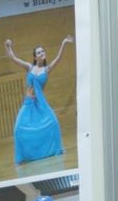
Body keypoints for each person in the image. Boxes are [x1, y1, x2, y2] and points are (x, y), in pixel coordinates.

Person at [5, 36, 74, 165]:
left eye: (43, 51)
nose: (42, 53)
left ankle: (57, 149)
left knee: (53, 123)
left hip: (40, 103)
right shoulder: (29, 67)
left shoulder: (47, 69)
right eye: (39, 52)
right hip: (28, 103)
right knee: (18, 129)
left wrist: (64, 42)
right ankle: (23, 156)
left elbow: (58, 58)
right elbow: (13, 58)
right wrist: (7, 46)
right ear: (35, 57)